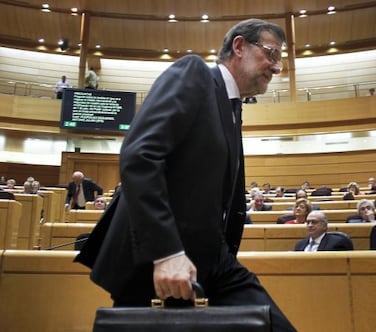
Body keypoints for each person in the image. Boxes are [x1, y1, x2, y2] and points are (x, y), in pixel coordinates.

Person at [75, 18, 296, 332]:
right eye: (272, 54)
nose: (277, 68)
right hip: (159, 258)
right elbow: (140, 155)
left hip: (212, 259)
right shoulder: (195, 74)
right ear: (239, 46)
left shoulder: (233, 108)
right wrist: (167, 253)